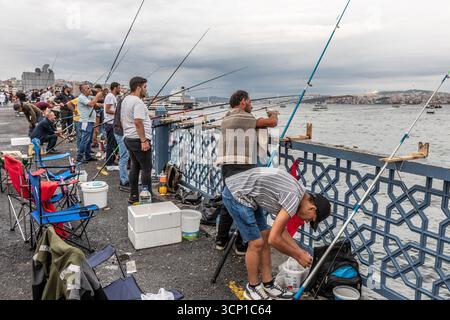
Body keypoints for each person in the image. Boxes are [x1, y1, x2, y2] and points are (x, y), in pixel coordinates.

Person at [222, 167, 331, 300]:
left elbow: (281, 230)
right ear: (312, 208)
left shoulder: (299, 193)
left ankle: (268, 284)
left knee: (264, 236)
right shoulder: (294, 198)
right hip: (237, 194)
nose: (306, 222)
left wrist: (299, 251)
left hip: (249, 195)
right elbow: (274, 239)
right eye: (310, 219)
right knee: (256, 243)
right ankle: (252, 287)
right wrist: (297, 255)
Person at [215, 90, 279, 256]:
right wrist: (274, 114)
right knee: (245, 204)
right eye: (250, 102)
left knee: (229, 201)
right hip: (242, 168)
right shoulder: (244, 116)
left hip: (227, 166)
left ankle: (221, 240)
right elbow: (271, 123)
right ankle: (241, 244)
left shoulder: (227, 116)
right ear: (242, 102)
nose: (251, 105)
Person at [121, 76, 152, 204]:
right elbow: (138, 122)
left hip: (128, 138)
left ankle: (134, 196)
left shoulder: (126, 100)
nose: (146, 90)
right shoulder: (138, 102)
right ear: (138, 87)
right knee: (146, 168)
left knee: (135, 167)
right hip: (138, 140)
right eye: (145, 87)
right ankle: (146, 197)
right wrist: (144, 140)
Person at [76, 83, 104, 163]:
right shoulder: (81, 97)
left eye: (89, 88)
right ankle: (79, 157)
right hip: (86, 121)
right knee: (85, 140)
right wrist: (97, 97)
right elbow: (92, 104)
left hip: (90, 121)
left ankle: (88, 156)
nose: (89, 89)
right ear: (82, 90)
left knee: (88, 140)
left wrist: (101, 94)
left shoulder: (88, 97)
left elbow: (97, 103)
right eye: (87, 88)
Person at [104, 82, 120, 167]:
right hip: (110, 123)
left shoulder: (113, 97)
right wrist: (118, 113)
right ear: (115, 88)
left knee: (114, 143)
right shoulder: (110, 96)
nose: (120, 89)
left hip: (112, 123)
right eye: (119, 87)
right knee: (111, 143)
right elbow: (107, 110)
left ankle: (111, 160)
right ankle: (109, 162)